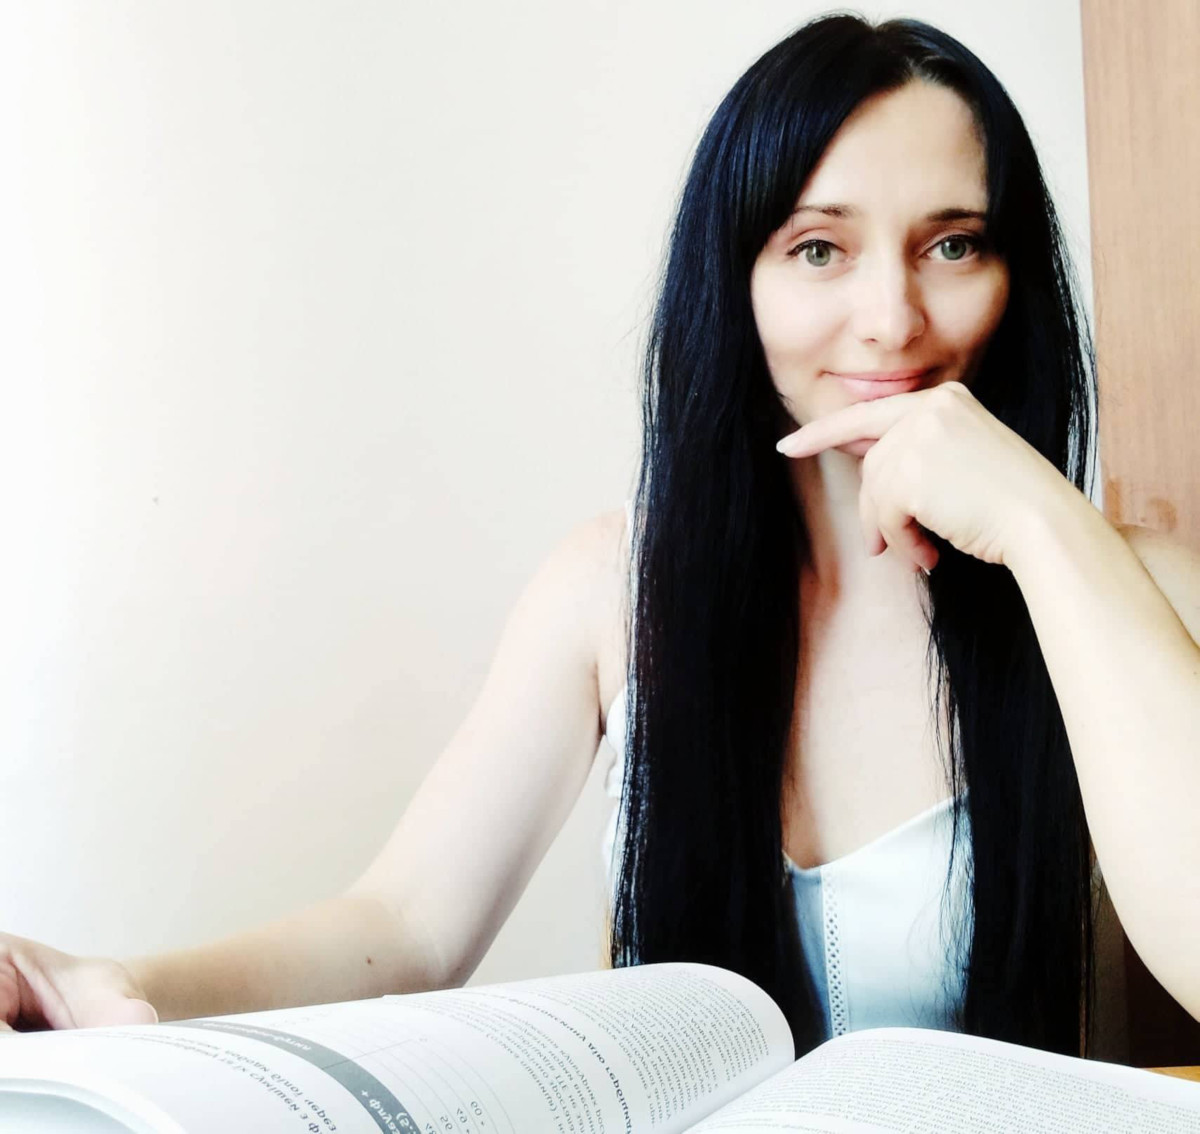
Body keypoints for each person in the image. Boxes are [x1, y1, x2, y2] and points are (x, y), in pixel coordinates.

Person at [4, 13, 1200, 1058]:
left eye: (953, 245)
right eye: (818, 248)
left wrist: (1043, 522)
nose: (890, 318)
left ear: (1015, 279)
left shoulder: (1126, 586)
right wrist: (101, 983)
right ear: (734, 281)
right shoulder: (610, 589)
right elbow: (404, 928)